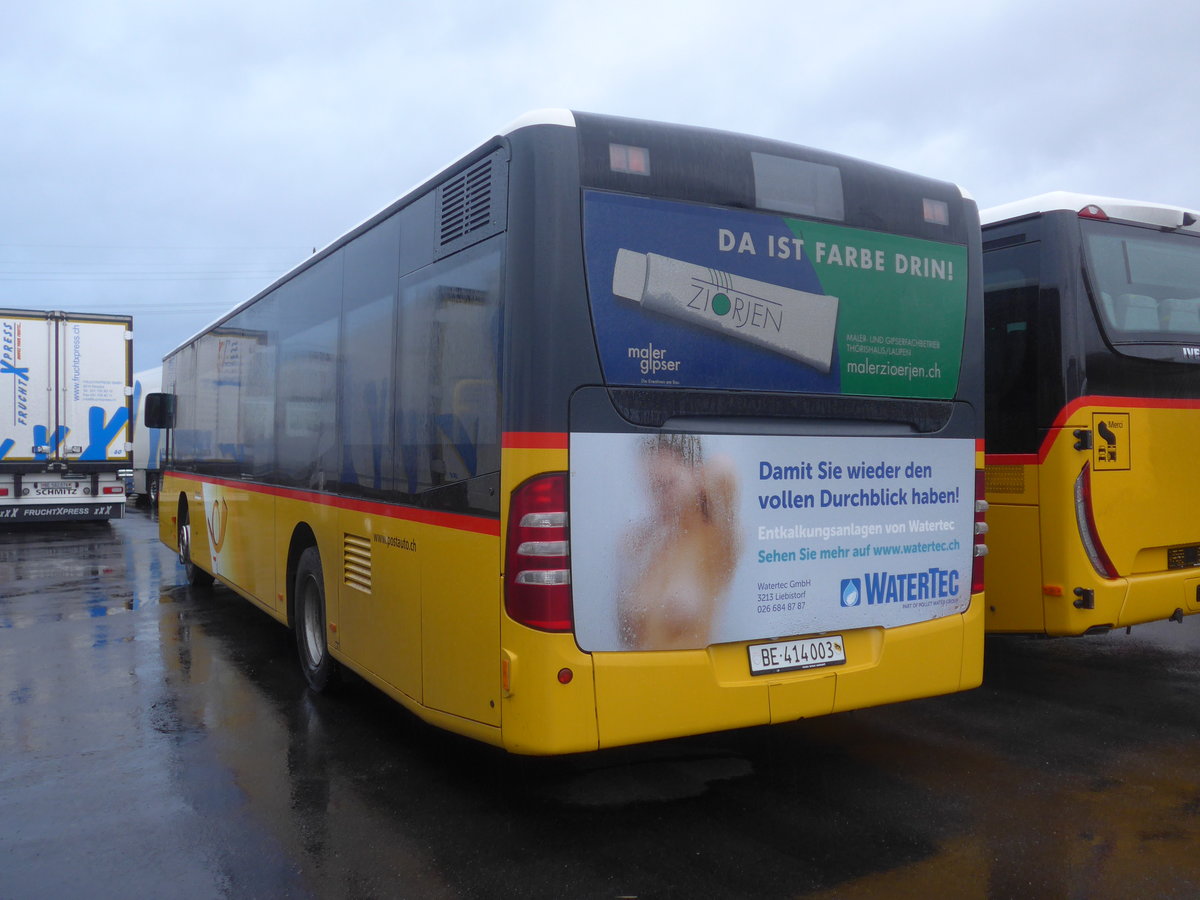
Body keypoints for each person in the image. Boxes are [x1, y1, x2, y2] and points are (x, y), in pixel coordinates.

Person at [617, 434, 740, 650]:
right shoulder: (647, 544)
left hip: (692, 669)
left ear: (699, 475)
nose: (659, 498)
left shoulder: (714, 539)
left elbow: (723, 467)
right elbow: (627, 635)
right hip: (642, 669)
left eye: (667, 485)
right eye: (652, 487)